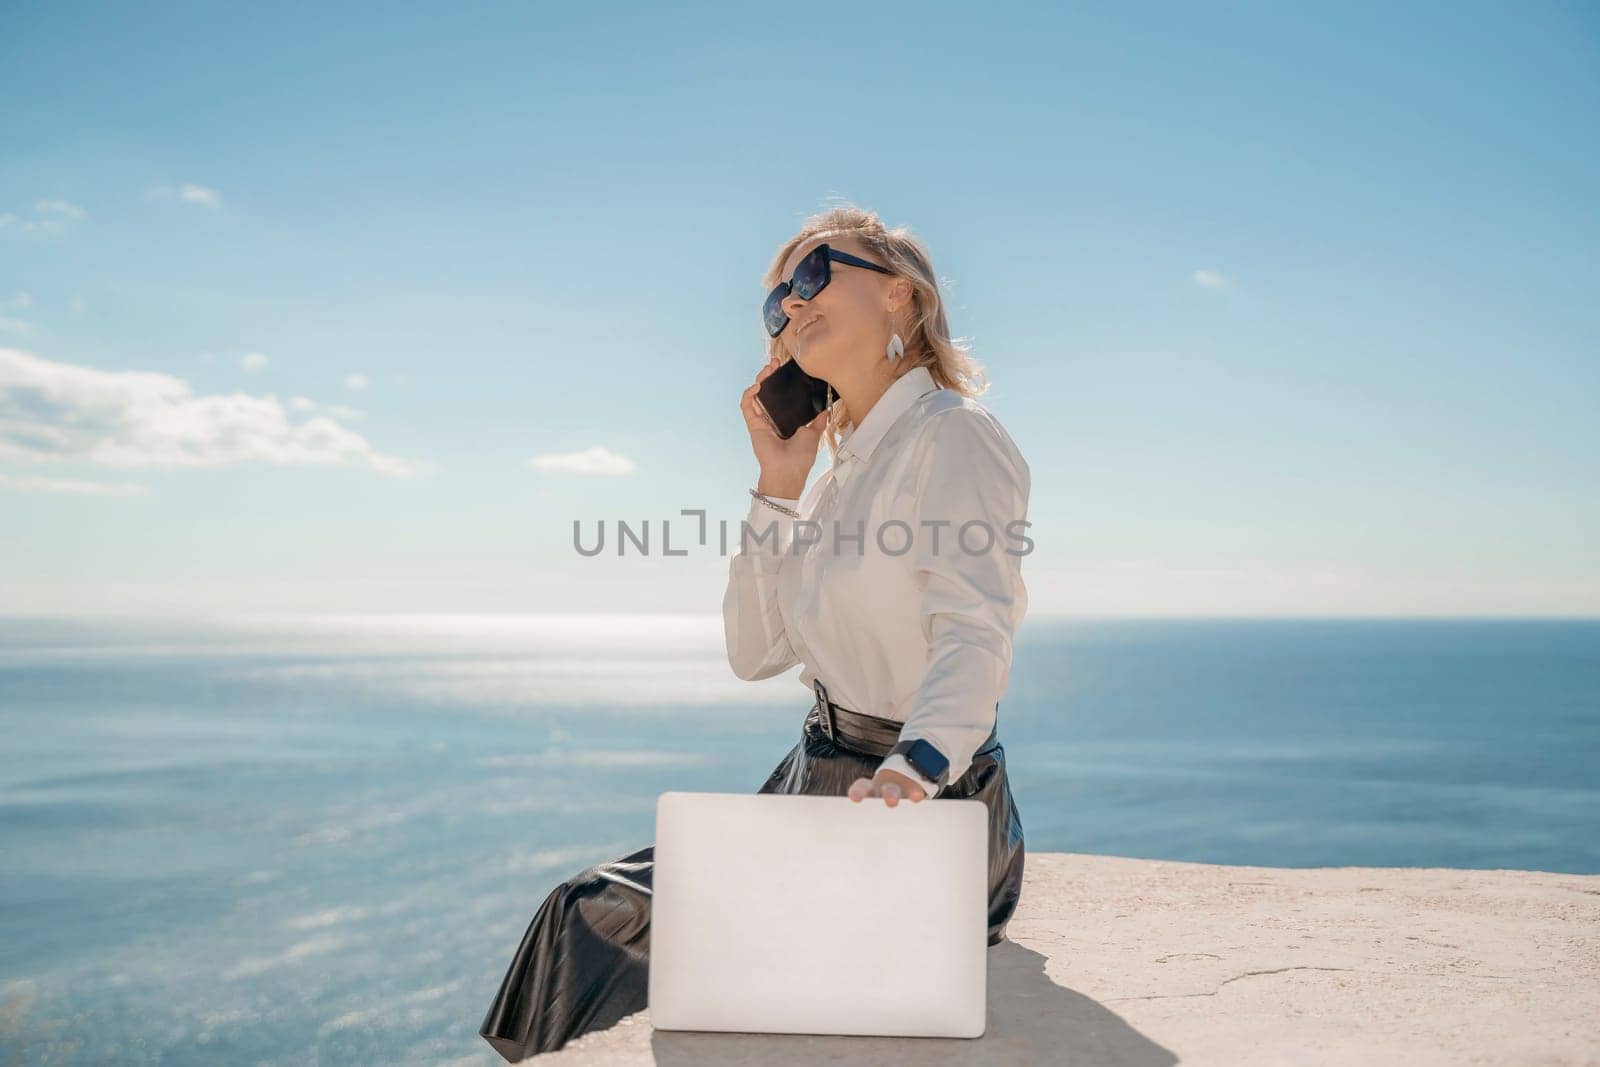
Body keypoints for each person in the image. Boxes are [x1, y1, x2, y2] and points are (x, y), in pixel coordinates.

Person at [479, 204, 1030, 1063]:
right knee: (585, 909)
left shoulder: (953, 436)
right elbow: (753, 651)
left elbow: (974, 631)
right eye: (777, 300)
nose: (790, 306)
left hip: (926, 803)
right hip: (817, 781)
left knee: (605, 920)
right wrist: (778, 484)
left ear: (900, 296)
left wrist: (911, 773)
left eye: (813, 276)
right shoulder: (836, 474)